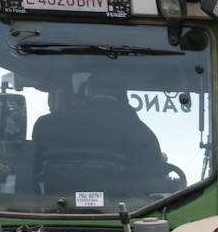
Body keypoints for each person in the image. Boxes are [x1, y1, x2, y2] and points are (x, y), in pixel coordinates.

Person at [32, 78, 169, 199]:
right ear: (124, 97)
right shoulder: (142, 133)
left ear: (87, 92)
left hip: (51, 215)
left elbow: (28, 175)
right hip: (125, 218)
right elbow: (153, 189)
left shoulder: (45, 125)